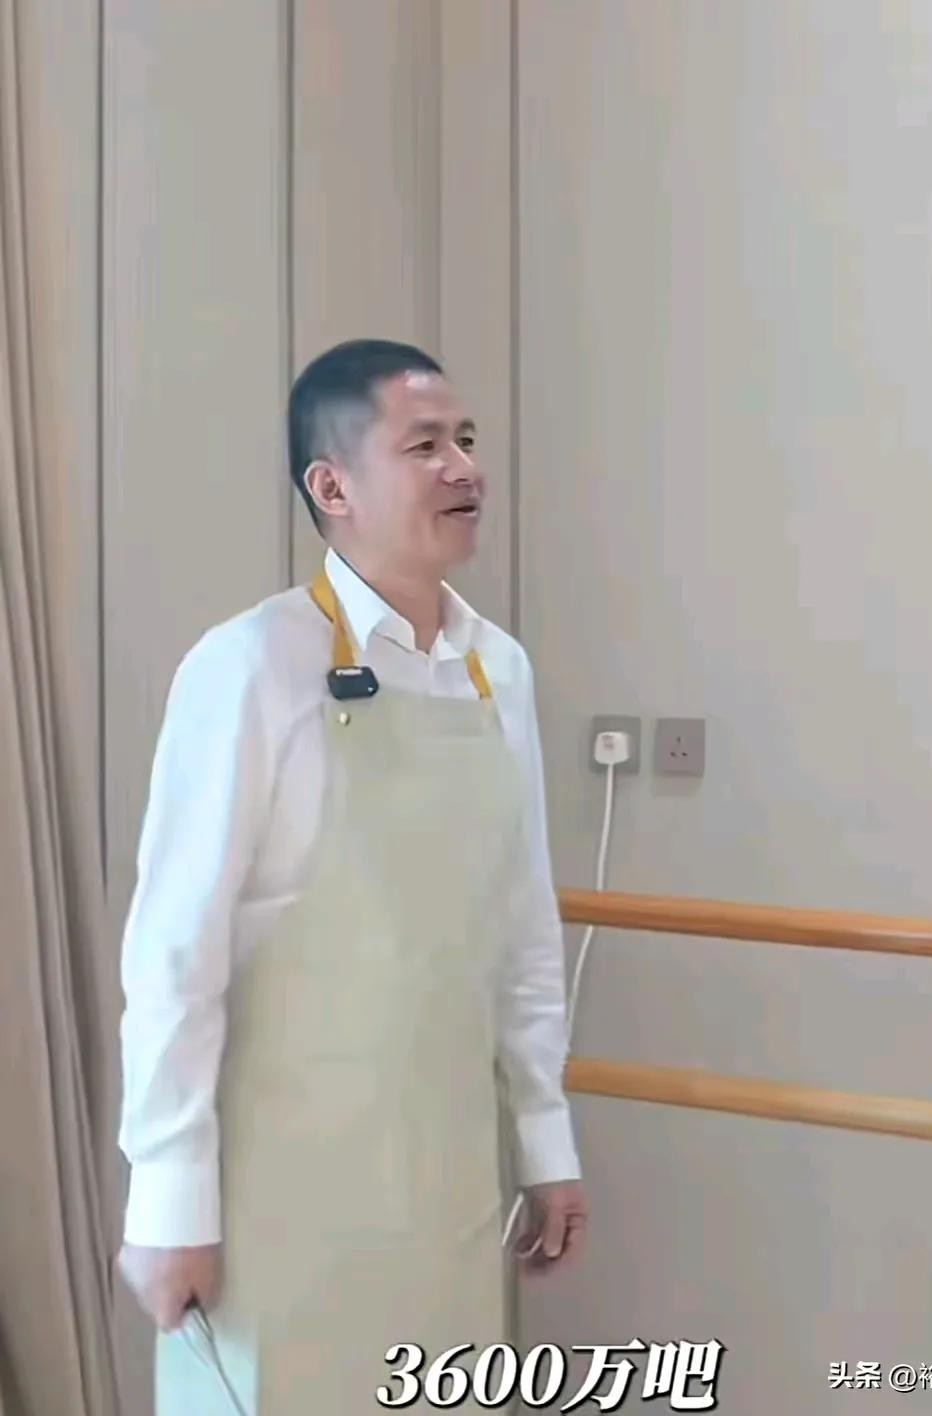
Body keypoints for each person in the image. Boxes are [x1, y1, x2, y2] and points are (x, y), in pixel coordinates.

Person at [115, 339, 587, 1413]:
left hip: (448, 1186)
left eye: (466, 439)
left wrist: (545, 1140)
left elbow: (522, 929)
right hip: (276, 1201)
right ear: (333, 488)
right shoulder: (248, 666)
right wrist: (169, 1203)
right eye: (424, 446)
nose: (464, 467)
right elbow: (176, 955)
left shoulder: (499, 671)